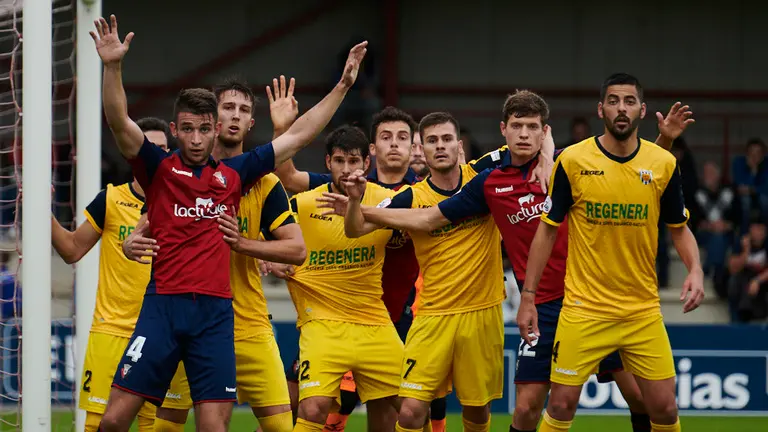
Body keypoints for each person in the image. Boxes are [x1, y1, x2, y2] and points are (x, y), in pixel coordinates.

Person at [90, 14, 366, 432]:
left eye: (204, 130)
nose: (197, 139)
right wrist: (112, 67)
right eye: (188, 130)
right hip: (161, 308)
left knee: (214, 428)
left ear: (214, 128)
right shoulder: (158, 169)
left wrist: (343, 86)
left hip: (217, 317)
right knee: (112, 421)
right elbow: (119, 122)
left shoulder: (237, 174)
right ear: (175, 131)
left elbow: (299, 136)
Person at [519, 73, 705, 432]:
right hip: (584, 310)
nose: (622, 108)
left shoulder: (663, 163)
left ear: (642, 110)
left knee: (664, 409)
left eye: (630, 101)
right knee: (559, 405)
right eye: (615, 101)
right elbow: (546, 231)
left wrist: (695, 268)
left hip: (641, 312)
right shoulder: (572, 160)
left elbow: (679, 231)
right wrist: (528, 297)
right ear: (600, 108)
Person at [122, 78, 306, 432]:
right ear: (213, 119)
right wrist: (130, 243)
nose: (236, 117)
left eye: (245, 110)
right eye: (229, 108)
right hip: (186, 319)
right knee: (165, 426)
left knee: (283, 427)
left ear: (251, 122)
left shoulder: (265, 182)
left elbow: (296, 248)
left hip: (249, 324)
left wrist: (248, 245)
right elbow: (146, 228)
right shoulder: (176, 177)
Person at [320, 112, 522, 432]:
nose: (439, 146)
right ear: (422, 151)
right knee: (411, 412)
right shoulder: (409, 198)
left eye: (445, 140)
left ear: (459, 145)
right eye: (431, 141)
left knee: (478, 412)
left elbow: (528, 146)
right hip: (431, 317)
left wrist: (547, 152)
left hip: (481, 313)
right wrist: (356, 203)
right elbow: (356, 229)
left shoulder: (483, 175)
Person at [276, 105, 448, 432]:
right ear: (374, 149)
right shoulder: (320, 192)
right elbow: (286, 182)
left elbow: (442, 212)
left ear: (415, 146)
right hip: (330, 318)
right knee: (306, 405)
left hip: (396, 318)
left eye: (402, 138)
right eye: (386, 137)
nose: (394, 144)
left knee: (414, 408)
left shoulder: (412, 195)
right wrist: (271, 257)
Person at [50, 118, 171, 432]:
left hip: (161, 334)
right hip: (111, 331)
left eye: (163, 150)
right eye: (150, 148)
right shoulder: (111, 199)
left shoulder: (181, 204)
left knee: (156, 427)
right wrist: (40, 207)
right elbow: (72, 250)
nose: (157, 156)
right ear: (134, 155)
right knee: (99, 425)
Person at [285, 125, 403, 432]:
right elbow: (271, 235)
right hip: (322, 324)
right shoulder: (304, 203)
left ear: (366, 163)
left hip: (374, 322)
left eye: (354, 161)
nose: (347, 169)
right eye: (339, 161)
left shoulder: (387, 201)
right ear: (328, 163)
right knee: (312, 408)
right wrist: (266, 258)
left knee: (413, 406)